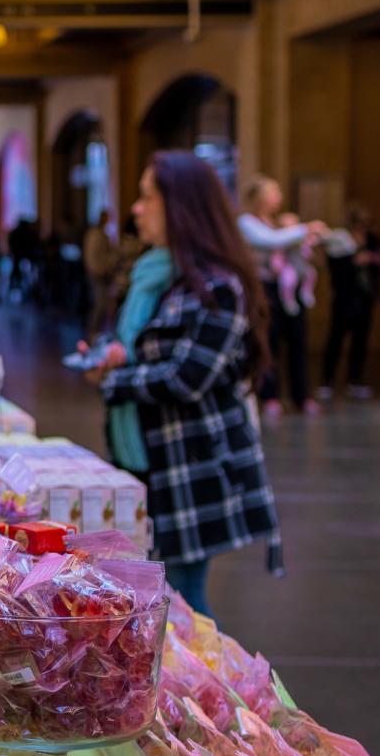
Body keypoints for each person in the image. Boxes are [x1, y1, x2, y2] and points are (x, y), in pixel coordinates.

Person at [84, 151, 281, 619]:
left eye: (148, 197)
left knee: (182, 606)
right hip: (146, 459)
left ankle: (197, 689)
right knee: (156, 598)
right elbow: (140, 346)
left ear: (182, 207)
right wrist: (108, 353)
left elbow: (187, 376)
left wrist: (115, 378)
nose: (136, 207)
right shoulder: (153, 276)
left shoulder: (217, 286)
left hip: (193, 469)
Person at [238, 176, 328, 418]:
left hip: (287, 288)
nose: (278, 197)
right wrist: (304, 229)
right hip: (264, 289)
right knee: (270, 341)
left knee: (298, 339)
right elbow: (269, 241)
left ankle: (302, 396)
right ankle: (270, 395)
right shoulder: (248, 223)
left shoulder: (279, 222)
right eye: (273, 192)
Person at [320, 204, 380, 400]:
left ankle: (355, 379)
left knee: (361, 339)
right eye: (361, 222)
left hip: (365, 296)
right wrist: (354, 262)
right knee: (336, 337)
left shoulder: (373, 240)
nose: (364, 226)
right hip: (344, 296)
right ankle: (327, 379)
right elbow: (335, 268)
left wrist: (373, 261)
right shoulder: (341, 240)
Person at [82, 216, 119, 338]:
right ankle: (94, 331)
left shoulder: (96, 234)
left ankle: (97, 331)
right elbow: (95, 255)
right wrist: (100, 270)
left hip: (97, 271)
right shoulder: (97, 235)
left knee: (102, 302)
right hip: (98, 272)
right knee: (101, 302)